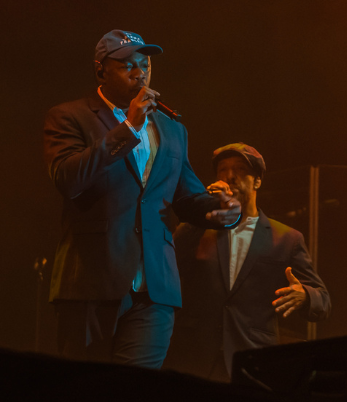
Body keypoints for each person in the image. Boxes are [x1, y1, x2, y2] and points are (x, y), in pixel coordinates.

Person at [42, 30, 241, 369]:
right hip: (92, 283)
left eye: (145, 64)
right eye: (127, 65)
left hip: (156, 288)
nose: (140, 73)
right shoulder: (69, 116)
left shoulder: (171, 128)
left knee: (137, 400)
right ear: (101, 70)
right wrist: (128, 129)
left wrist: (220, 211)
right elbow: (68, 179)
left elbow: (186, 196)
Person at [164, 143, 331, 382]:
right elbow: (164, 270)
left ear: (257, 181)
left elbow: (323, 300)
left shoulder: (286, 238)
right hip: (195, 358)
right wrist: (202, 214)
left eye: (240, 169)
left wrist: (305, 295)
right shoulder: (197, 228)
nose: (230, 176)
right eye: (223, 170)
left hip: (253, 361)